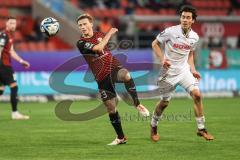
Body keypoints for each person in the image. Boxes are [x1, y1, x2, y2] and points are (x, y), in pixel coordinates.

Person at [76, 14, 149, 145]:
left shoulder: (99, 34)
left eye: (85, 24)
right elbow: (98, 48)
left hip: (113, 66)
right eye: (80, 25)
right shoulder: (81, 43)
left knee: (126, 75)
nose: (83, 27)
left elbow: (105, 49)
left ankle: (137, 104)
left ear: (91, 24)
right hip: (101, 75)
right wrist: (109, 33)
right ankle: (121, 137)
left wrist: (105, 36)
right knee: (111, 108)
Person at [150, 5, 214, 141]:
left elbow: (190, 54)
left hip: (184, 70)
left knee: (197, 95)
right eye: (183, 17)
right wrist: (162, 59)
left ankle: (201, 128)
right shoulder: (170, 31)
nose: (185, 19)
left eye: (188, 17)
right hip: (168, 72)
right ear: (180, 18)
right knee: (164, 103)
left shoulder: (194, 37)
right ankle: (154, 125)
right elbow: (154, 44)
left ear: (193, 20)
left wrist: (193, 69)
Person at [0, 17, 30, 120]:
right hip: (3, 65)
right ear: (6, 24)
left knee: (1, 89)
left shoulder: (10, 35)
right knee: (14, 87)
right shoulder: (4, 35)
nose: (13, 25)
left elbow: (11, 51)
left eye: (14, 23)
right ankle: (15, 113)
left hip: (4, 65)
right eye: (11, 23)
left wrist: (21, 61)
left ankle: (15, 113)